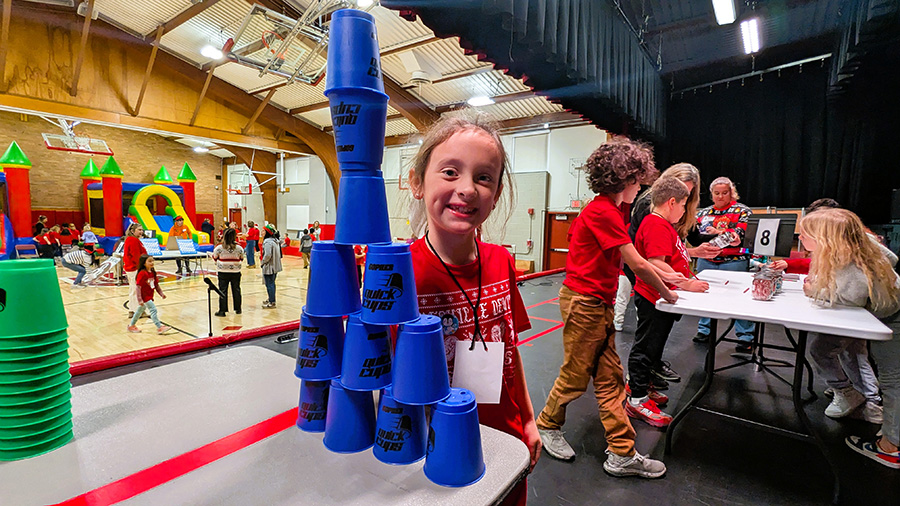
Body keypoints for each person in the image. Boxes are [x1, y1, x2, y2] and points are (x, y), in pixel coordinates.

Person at [406, 113, 540, 505]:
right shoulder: (399, 274)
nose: (467, 189)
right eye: (450, 172)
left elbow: (509, 354)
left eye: (484, 178)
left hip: (502, 436)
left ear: (496, 194)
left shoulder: (501, 261)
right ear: (417, 182)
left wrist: (529, 420)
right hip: (430, 449)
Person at [536, 137, 679, 479]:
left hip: (595, 303)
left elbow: (638, 262)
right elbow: (639, 264)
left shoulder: (614, 209)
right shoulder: (602, 211)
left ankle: (621, 452)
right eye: (637, 180)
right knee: (575, 377)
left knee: (611, 380)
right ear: (623, 179)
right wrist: (669, 293)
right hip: (584, 304)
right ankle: (546, 425)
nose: (641, 186)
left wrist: (673, 281)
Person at [795, 209, 900, 469]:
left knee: (893, 380)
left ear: (825, 239)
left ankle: (890, 447)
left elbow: (850, 297)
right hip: (884, 314)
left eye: (806, 234)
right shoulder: (861, 247)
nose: (801, 237)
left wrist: (814, 290)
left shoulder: (851, 267)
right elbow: (893, 257)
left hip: (892, 319)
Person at [626, 177, 709, 428]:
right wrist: (686, 284)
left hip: (660, 296)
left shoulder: (663, 224)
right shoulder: (656, 225)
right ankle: (637, 399)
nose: (685, 211)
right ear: (672, 202)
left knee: (653, 348)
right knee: (645, 348)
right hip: (653, 297)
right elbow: (656, 262)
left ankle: (643, 389)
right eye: (684, 205)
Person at [694, 176, 755, 352]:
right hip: (706, 260)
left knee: (739, 298)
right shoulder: (703, 213)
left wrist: (719, 231)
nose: (720, 196)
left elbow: (741, 233)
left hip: (733, 261)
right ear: (712, 195)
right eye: (716, 193)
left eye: (724, 193)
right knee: (704, 294)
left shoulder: (743, 210)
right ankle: (704, 330)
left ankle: (745, 336)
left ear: (731, 193)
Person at [127, 254, 172, 334]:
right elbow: (138, 287)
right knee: (153, 310)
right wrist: (140, 299)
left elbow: (156, 285)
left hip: (150, 295)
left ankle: (131, 325)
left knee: (139, 311)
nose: (152, 263)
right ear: (144, 263)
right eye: (149, 261)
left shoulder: (153, 273)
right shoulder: (142, 273)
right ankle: (159, 327)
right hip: (144, 297)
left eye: (152, 261)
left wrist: (161, 294)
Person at [212, 228, 244, 316]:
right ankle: (238, 309)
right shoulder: (239, 248)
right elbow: (242, 258)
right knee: (236, 290)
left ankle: (222, 311)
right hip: (236, 271)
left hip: (223, 271)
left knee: (223, 290)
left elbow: (215, 257)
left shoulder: (219, 248)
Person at [123, 222, 148, 318]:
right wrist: (142, 268)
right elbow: (136, 256)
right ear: (133, 231)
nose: (141, 231)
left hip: (131, 268)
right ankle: (138, 311)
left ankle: (132, 310)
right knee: (137, 290)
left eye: (142, 230)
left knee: (133, 289)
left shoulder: (131, 239)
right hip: (134, 268)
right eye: (139, 230)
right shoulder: (133, 240)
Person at [260, 224, 282, 309]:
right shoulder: (275, 240)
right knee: (272, 283)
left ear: (267, 232)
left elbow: (268, 255)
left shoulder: (267, 242)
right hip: (275, 266)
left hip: (269, 266)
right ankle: (271, 298)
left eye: (263, 231)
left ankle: (272, 302)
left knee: (269, 284)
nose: (261, 232)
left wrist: (263, 262)